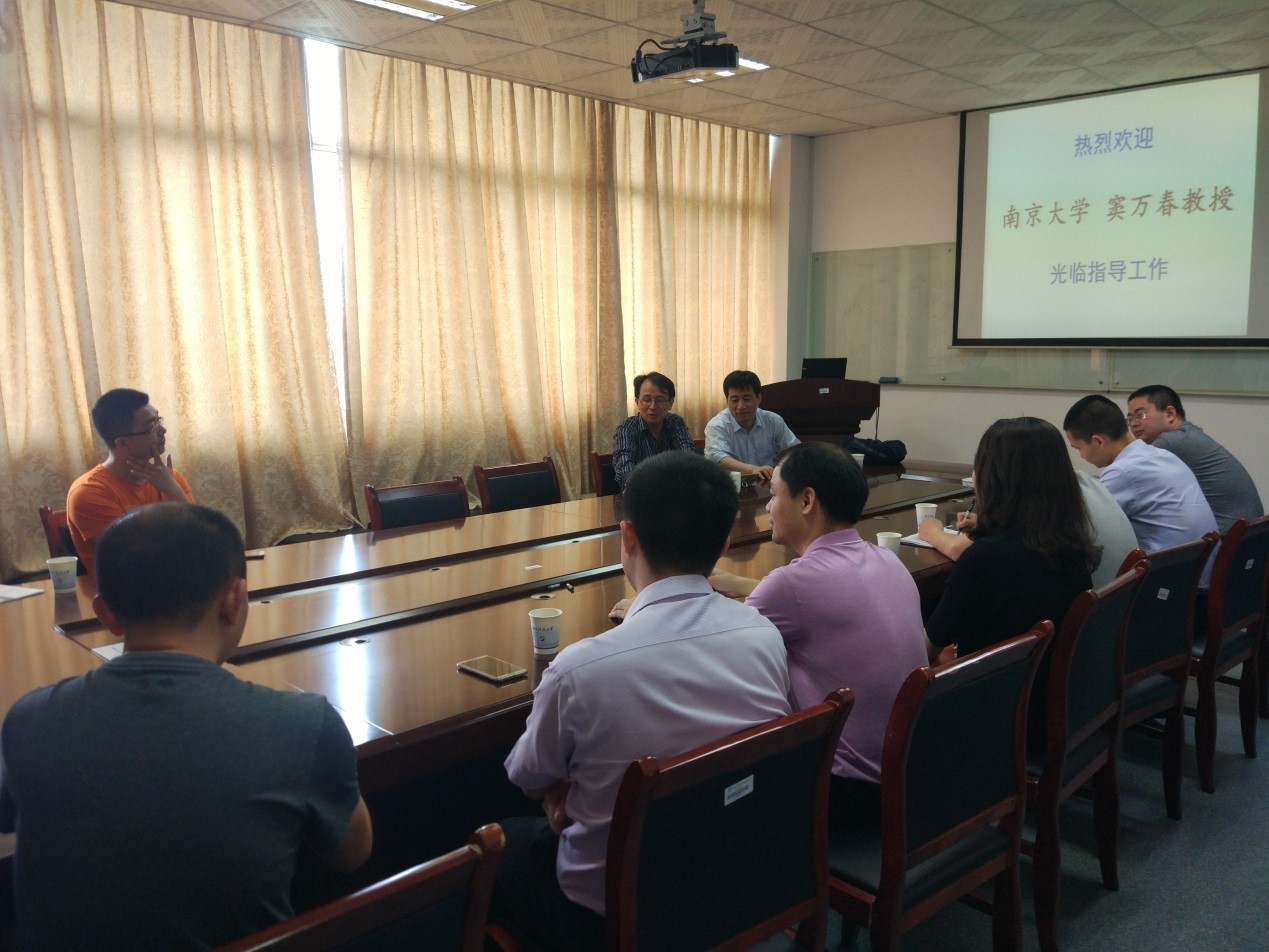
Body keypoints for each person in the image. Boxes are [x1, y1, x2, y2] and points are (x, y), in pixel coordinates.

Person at [0, 503, 372, 951]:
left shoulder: (29, 719)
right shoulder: (302, 725)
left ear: (105, 614)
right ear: (235, 600)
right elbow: (353, 855)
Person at [494, 452, 792, 952]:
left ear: (627, 537)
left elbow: (527, 778)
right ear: (724, 544)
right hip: (735, 880)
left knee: (498, 847)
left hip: (613, 915)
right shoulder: (764, 635)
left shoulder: (579, 671)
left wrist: (564, 793)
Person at [710, 442, 926, 830]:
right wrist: (740, 584)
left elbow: (712, 647)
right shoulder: (886, 560)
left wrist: (649, 606)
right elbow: (817, 601)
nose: (767, 507)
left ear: (806, 500)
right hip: (910, 772)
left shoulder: (791, 585)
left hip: (844, 792)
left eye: (774, 494)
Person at [925, 418, 1099, 663]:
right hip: (1047, 679)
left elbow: (927, 648)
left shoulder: (984, 559)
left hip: (986, 683)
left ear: (993, 478)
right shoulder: (1072, 545)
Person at [918, 468, 1137, 588]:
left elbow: (960, 550)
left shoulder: (1042, 504)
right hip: (1106, 618)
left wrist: (932, 532)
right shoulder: (1084, 483)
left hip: (1080, 632)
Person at [1064, 394, 1217, 558]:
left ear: (1098, 441)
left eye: (1078, 448)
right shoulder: (1163, 455)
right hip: (1200, 564)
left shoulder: (1122, 472)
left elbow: (1082, 525)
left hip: (1167, 570)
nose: (1081, 456)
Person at [67, 388, 194, 577]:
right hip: (125, 589)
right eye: (152, 427)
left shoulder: (169, 478)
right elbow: (133, 558)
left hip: (178, 581)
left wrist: (174, 491)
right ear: (122, 443)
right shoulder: (89, 491)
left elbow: (202, 540)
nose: (163, 431)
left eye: (159, 420)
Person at [1126, 385, 1263, 534]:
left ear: (1170, 413)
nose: (1133, 423)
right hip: (1251, 535)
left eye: (1141, 415)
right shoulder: (1187, 433)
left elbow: (1123, 475)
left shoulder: (1170, 442)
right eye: (1130, 418)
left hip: (1229, 539)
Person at [704, 369, 799, 485]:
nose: (740, 406)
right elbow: (717, 457)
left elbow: (794, 451)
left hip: (768, 485)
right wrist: (753, 469)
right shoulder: (717, 425)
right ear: (727, 401)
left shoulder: (773, 421)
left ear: (758, 398)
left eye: (747, 399)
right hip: (730, 487)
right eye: (735, 400)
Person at [610, 371, 695, 489]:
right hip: (639, 493)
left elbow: (688, 458)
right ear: (637, 402)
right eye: (647, 400)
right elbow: (625, 469)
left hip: (673, 493)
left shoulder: (675, 423)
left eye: (659, 400)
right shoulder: (626, 428)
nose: (653, 406)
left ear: (670, 402)